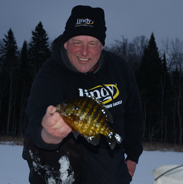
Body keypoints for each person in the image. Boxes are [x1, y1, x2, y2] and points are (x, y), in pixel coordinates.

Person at [22, 5, 144, 184]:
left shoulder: (119, 69)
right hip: (59, 148)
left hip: (102, 146)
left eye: (92, 43)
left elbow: (134, 114)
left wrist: (133, 155)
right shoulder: (51, 73)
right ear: (65, 43)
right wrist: (49, 134)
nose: (84, 52)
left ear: (102, 46)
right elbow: (36, 114)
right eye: (77, 42)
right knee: (54, 164)